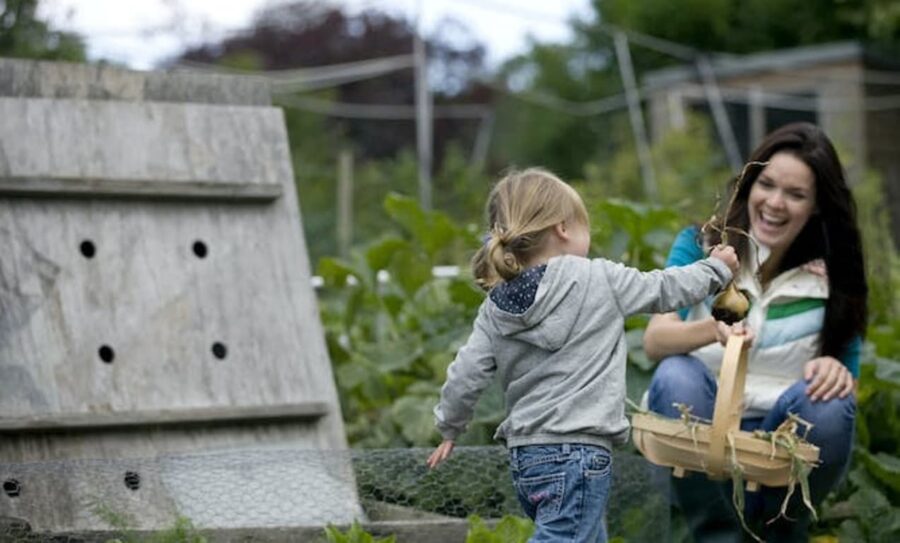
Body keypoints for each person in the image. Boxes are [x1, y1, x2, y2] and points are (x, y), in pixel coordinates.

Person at [426, 167, 739, 543]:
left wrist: (450, 425)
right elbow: (665, 288)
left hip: (527, 458)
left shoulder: (495, 306)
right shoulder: (598, 278)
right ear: (562, 227)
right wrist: (717, 269)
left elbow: (466, 373)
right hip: (579, 454)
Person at [643, 122, 868, 542]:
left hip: (783, 426)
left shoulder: (835, 271)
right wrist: (713, 330)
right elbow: (655, 339)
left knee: (834, 402)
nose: (775, 203)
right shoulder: (702, 244)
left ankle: (781, 529)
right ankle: (717, 534)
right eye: (767, 184)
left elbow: (848, 376)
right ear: (750, 183)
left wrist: (836, 370)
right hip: (702, 411)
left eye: (796, 194)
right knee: (675, 373)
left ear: (817, 205)